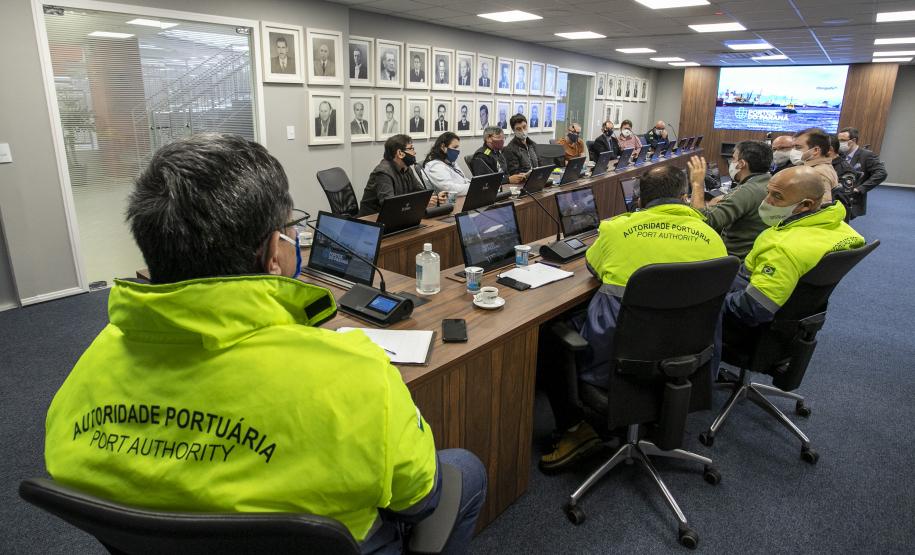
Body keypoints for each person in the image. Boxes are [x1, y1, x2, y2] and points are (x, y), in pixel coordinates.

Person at [43, 133, 487, 554]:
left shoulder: (89, 366)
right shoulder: (357, 373)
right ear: (275, 252)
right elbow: (419, 498)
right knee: (464, 468)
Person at [538, 165, 727, 470]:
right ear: (684, 198)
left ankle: (575, 429)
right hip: (688, 361)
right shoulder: (712, 236)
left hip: (621, 365)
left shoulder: (616, 230)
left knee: (550, 332)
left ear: (638, 200)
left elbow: (594, 267)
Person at [723, 165, 864, 332]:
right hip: (791, 322)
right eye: (767, 192)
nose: (766, 201)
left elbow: (753, 309)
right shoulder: (841, 228)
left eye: (777, 196)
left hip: (748, 324)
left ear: (805, 205)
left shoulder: (781, 247)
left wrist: (711, 303)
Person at [687, 140, 772, 259]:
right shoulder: (770, 182)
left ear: (741, 164)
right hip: (754, 253)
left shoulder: (745, 191)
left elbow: (703, 221)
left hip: (733, 260)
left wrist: (697, 183)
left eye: (733, 159)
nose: (731, 162)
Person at [359, 134, 439, 216]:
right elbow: (389, 205)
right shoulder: (383, 172)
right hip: (371, 221)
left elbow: (420, 191)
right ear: (400, 153)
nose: (414, 152)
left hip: (397, 216)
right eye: (411, 148)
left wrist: (435, 198)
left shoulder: (406, 168)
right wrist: (422, 202)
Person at [838, 127, 887, 194]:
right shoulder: (839, 155)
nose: (840, 143)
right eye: (838, 140)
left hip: (854, 198)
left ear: (854, 140)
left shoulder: (866, 155)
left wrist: (860, 188)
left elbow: (881, 173)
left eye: (843, 140)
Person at [793, 128, 836, 203]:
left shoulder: (818, 173)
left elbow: (822, 207)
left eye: (798, 147)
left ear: (815, 150)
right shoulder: (818, 167)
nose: (793, 151)